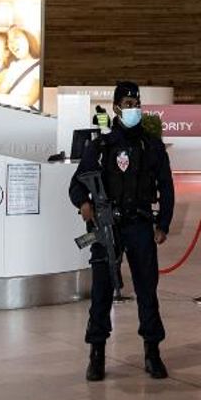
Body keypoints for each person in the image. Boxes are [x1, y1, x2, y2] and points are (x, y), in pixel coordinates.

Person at [69, 81, 174, 382]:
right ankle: (97, 353)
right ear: (116, 107)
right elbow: (76, 185)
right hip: (107, 228)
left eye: (136, 103)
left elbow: (166, 187)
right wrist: (84, 204)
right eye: (127, 104)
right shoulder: (101, 146)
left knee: (146, 290)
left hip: (140, 225)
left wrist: (163, 223)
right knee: (101, 290)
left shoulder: (151, 145)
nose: (133, 109)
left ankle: (152, 352)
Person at [0, 25, 42, 109]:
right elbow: (2, 91)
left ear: (28, 38)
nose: (12, 43)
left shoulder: (39, 66)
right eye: (10, 41)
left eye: (16, 37)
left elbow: (30, 99)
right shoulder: (14, 66)